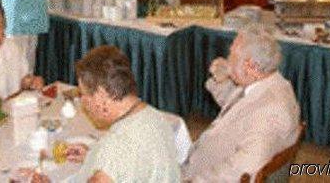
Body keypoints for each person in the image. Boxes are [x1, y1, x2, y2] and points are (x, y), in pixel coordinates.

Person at [182, 26, 300, 182]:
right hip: (202, 161)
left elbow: (243, 170)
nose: (227, 60)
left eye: (232, 55)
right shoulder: (272, 83)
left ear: (251, 66)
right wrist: (222, 79)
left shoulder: (272, 112)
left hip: (202, 175)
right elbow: (236, 109)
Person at [56, 46, 180, 182]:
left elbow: (120, 153)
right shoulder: (155, 117)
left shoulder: (116, 146)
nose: (82, 101)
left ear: (101, 96)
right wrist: (93, 156)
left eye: (82, 94)